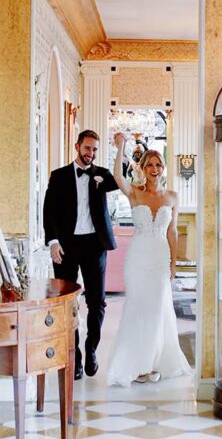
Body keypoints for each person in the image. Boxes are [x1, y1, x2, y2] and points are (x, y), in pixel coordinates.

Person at [106, 133, 192, 386]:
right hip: (138, 258)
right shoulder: (134, 193)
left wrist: (173, 263)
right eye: (150, 165)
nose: (155, 169)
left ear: (163, 169)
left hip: (159, 257)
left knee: (158, 309)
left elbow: (172, 231)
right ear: (143, 169)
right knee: (138, 309)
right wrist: (120, 146)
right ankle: (137, 366)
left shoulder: (172, 197)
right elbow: (117, 177)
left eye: (158, 165)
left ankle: (155, 363)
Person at [43, 130, 119, 380]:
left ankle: (91, 349)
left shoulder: (102, 175)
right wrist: (53, 242)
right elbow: (49, 211)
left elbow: (122, 179)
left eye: (95, 149)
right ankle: (72, 354)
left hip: (95, 245)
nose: (91, 153)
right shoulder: (59, 176)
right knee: (67, 302)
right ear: (77, 146)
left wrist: (121, 147)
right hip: (66, 246)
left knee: (96, 301)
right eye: (87, 148)